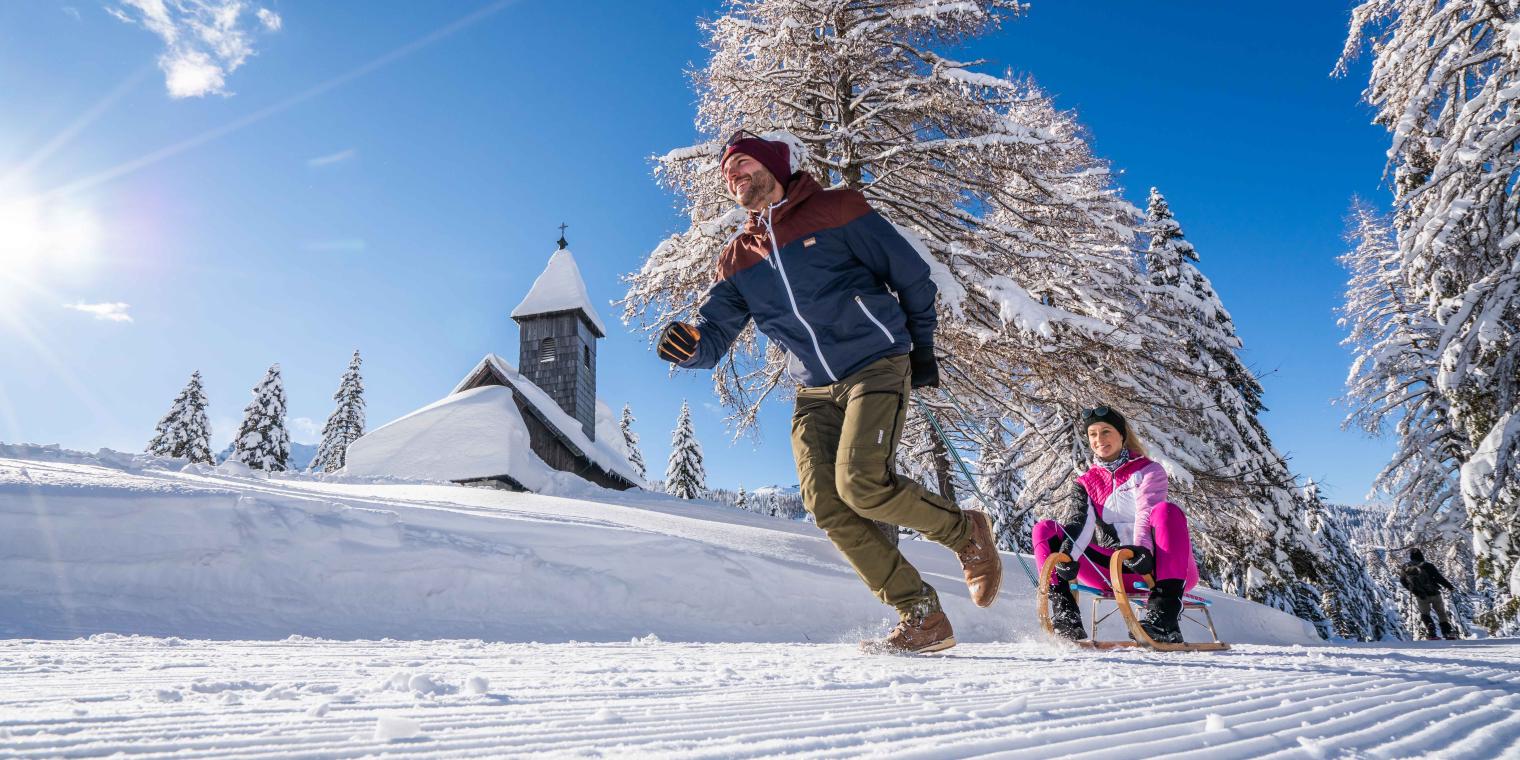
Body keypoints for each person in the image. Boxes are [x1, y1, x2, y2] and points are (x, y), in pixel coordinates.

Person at [656, 130, 1001, 654]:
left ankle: (965, 533)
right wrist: (690, 346)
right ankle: (922, 615)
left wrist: (922, 348)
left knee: (861, 483)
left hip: (875, 362)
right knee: (825, 503)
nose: (735, 176)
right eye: (728, 174)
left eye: (743, 164)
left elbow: (911, 276)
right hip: (814, 388)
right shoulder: (738, 259)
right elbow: (715, 334)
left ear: (774, 166)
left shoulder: (837, 209)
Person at [1031, 405, 1199, 643]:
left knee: (1167, 511)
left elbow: (1146, 511)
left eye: (1106, 431)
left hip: (1161, 568)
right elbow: (1080, 524)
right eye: (1093, 434)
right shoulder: (1086, 482)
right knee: (1044, 529)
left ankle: (1164, 616)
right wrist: (1067, 557)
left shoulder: (1149, 470)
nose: (1099, 439)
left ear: (1121, 434)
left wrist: (1142, 550)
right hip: (1113, 571)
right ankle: (1065, 613)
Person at [1399, 548, 1461, 641]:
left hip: (1420, 595)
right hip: (1434, 593)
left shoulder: (1405, 567)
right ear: (1421, 556)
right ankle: (1447, 632)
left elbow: (1402, 581)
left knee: (1425, 614)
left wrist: (1413, 590)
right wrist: (1449, 587)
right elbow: (1439, 578)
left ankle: (1431, 632)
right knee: (1441, 613)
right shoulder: (1428, 565)